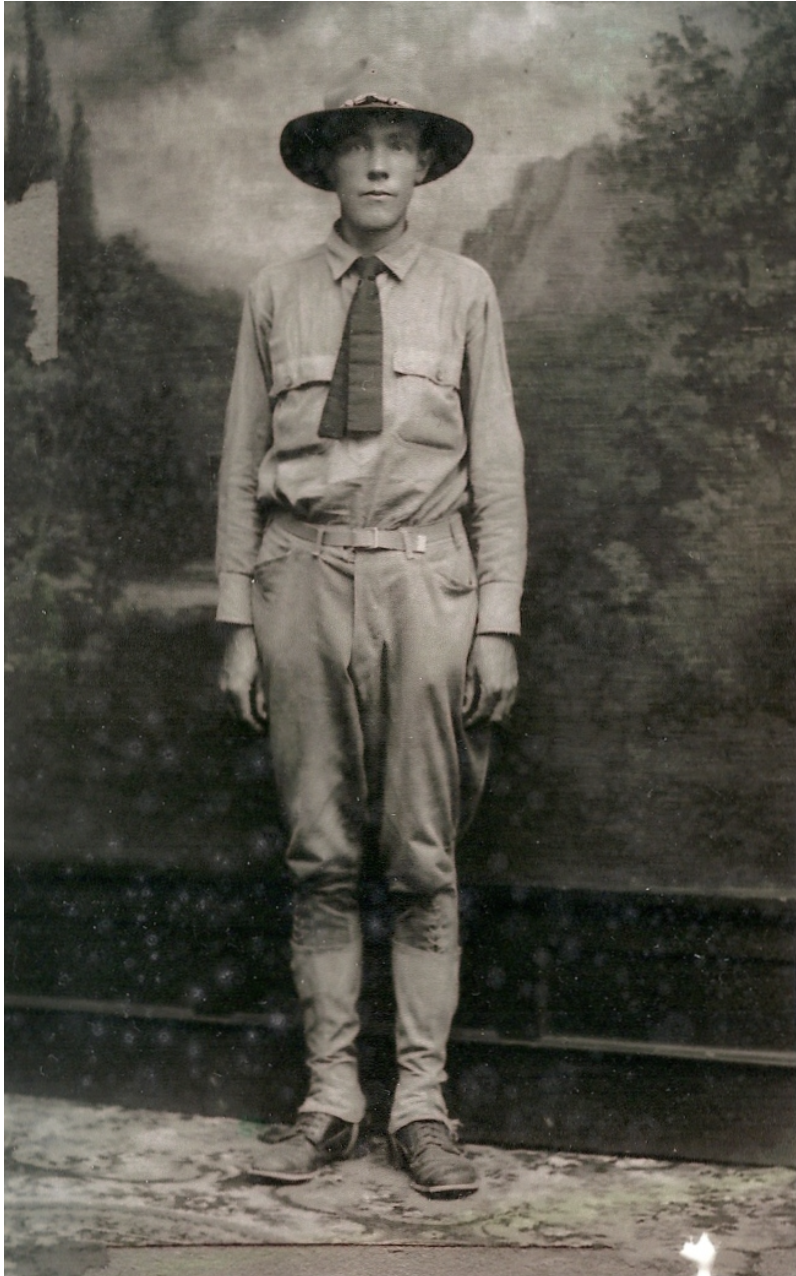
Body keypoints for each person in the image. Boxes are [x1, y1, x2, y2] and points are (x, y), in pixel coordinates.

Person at [215, 78, 527, 1197]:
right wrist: (237, 621)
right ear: (329, 169)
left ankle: (422, 1106)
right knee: (321, 855)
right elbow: (239, 468)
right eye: (359, 148)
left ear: (424, 168)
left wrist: (496, 622)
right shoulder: (276, 292)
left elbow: (497, 470)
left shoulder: (464, 290)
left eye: (399, 147)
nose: (380, 165)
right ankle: (331, 1101)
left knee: (422, 855)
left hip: (424, 581)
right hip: (299, 576)